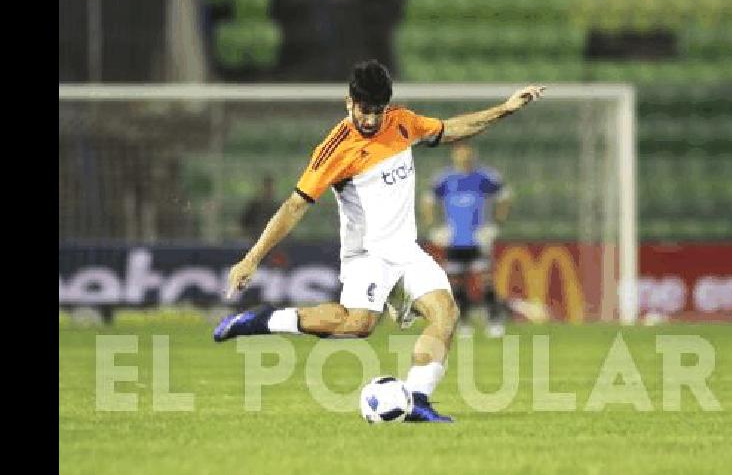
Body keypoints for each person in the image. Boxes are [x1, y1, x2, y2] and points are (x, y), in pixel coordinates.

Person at [214, 59, 545, 423]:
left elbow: (452, 129)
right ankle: (262, 321)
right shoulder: (333, 150)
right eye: (364, 110)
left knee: (446, 313)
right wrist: (252, 258)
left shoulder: (401, 122)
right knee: (358, 325)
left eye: (377, 110)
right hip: (367, 255)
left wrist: (505, 109)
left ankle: (417, 398)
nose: (371, 119)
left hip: (405, 249)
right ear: (348, 102)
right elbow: (295, 206)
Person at [421, 144, 512, 339]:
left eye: (467, 155)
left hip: (478, 238)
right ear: (454, 157)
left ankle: (494, 320)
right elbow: (428, 201)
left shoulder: (485, 177)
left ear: (473, 156)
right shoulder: (444, 179)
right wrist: (435, 228)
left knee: (485, 281)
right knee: (457, 282)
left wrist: (495, 224)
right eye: (460, 156)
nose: (464, 159)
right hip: (454, 239)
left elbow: (505, 197)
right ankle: (463, 323)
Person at [240, 176, 277, 242]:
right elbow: (243, 225)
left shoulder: (277, 208)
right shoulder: (254, 207)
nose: (268, 191)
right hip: (255, 241)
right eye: (266, 188)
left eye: (270, 188)